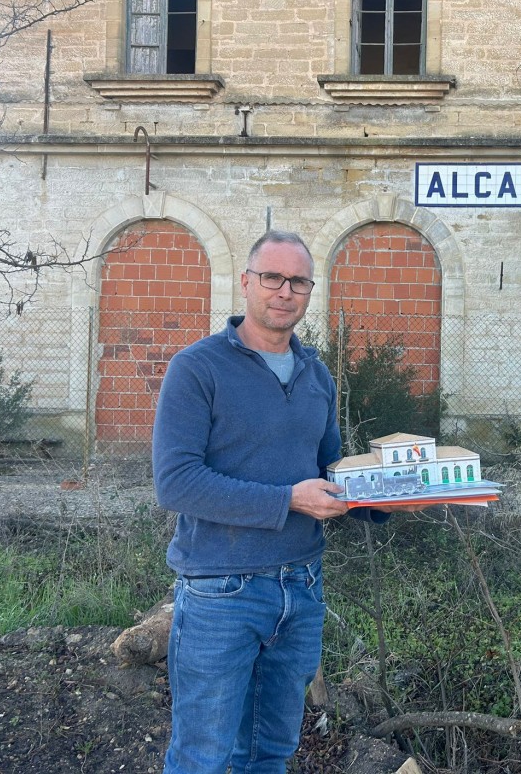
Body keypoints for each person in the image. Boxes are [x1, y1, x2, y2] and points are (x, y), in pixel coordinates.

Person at [152, 230, 421, 774]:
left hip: (301, 588)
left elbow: (325, 473)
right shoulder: (197, 368)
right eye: (272, 277)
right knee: (201, 757)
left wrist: (384, 496)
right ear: (247, 283)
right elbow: (176, 483)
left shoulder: (315, 374)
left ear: (309, 290)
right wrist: (287, 501)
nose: (284, 291)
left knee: (271, 753)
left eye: (298, 281)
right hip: (221, 591)